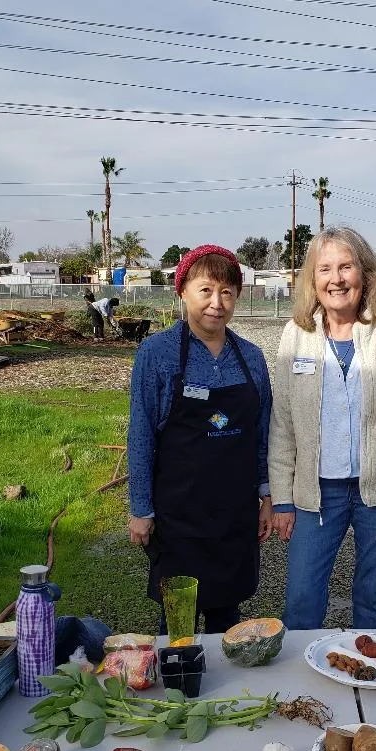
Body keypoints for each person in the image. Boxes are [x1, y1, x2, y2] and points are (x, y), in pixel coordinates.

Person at [269, 226, 376, 630]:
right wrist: (283, 500)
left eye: (346, 267)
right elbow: (283, 423)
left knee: (373, 598)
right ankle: (300, 689)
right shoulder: (296, 335)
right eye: (324, 269)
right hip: (316, 493)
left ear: (365, 273)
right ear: (312, 279)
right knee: (302, 599)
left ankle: (367, 680)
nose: (336, 279)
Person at [127, 245, 272, 634]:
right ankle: (176, 691)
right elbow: (141, 435)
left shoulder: (251, 358)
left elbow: (263, 432)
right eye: (205, 290)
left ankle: (225, 693)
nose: (216, 303)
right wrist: (141, 508)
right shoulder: (157, 354)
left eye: (227, 292)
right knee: (178, 623)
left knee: (228, 620)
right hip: (179, 516)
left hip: (234, 516)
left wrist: (266, 494)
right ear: (183, 292)